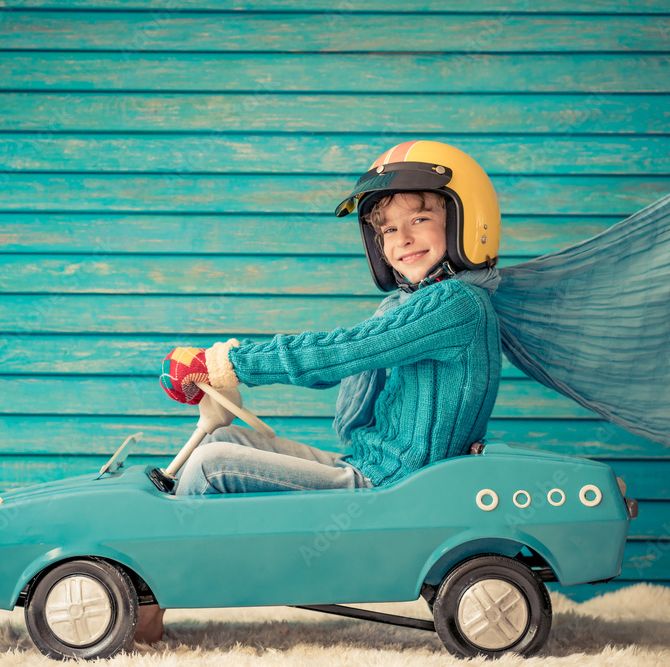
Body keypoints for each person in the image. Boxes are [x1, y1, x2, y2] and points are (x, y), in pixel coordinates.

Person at [134, 140, 504, 644]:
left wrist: (226, 363)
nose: (402, 239)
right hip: (371, 468)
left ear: (465, 221)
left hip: (389, 487)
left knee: (210, 465)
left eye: (419, 219)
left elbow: (343, 352)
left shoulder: (455, 305)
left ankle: (150, 595)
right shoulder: (417, 305)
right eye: (388, 229)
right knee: (231, 445)